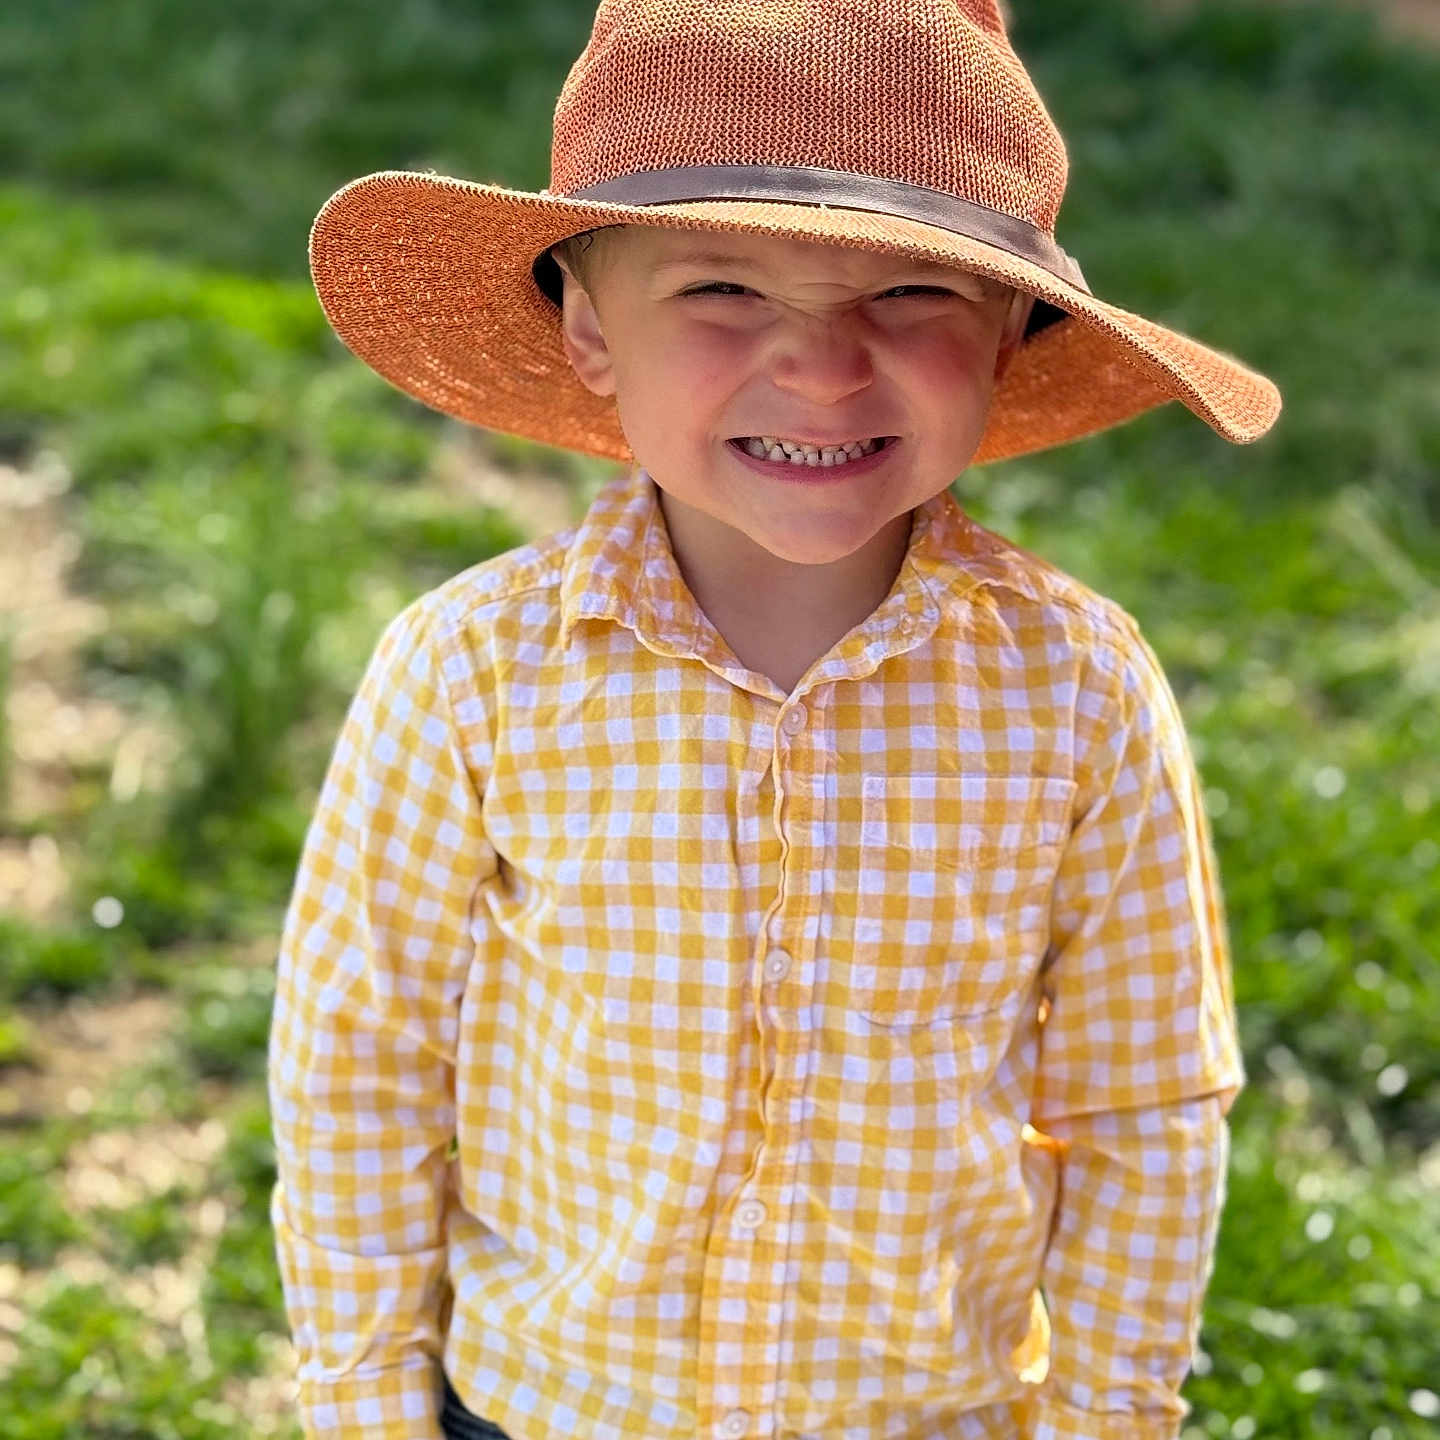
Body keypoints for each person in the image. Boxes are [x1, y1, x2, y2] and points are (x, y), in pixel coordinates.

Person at [267, 2, 1279, 1438]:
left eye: (911, 297)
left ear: (1012, 331)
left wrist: (1109, 1417)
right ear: (587, 327)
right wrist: (365, 1405)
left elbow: (1146, 1104)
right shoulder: (468, 672)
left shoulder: (1083, 693)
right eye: (721, 291)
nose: (820, 369)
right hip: (552, 1409)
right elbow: (356, 1053)